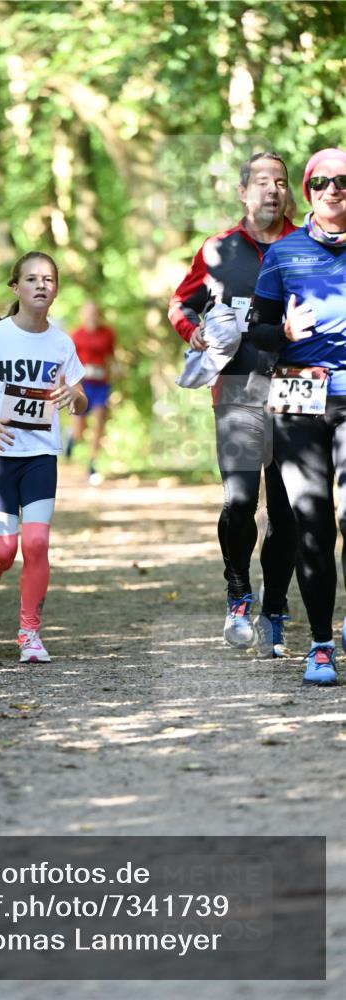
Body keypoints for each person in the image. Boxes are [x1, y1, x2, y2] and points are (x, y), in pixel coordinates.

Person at [168, 151, 297, 656]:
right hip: (239, 387)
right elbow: (182, 301)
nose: (272, 190)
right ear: (243, 192)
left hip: (295, 388)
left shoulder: (305, 245)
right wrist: (193, 330)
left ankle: (276, 609)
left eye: (281, 182)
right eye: (263, 182)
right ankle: (238, 593)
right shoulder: (218, 249)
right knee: (241, 501)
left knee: (286, 510)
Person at [0, 251, 87, 663]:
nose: (41, 286)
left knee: (36, 541)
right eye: (32, 279)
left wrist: (73, 397)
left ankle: (29, 633)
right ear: (16, 288)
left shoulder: (62, 343)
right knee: (4, 549)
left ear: (57, 288)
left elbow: (80, 401)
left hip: (40, 455)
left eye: (49, 279)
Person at [248, 147, 346, 685]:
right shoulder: (283, 253)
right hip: (298, 394)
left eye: (343, 182)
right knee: (312, 520)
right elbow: (257, 330)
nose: (333, 190)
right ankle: (322, 646)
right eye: (321, 182)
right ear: (308, 191)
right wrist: (284, 333)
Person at [65, 300, 116, 485]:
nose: (91, 315)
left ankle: (92, 464)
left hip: (101, 385)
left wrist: (115, 372)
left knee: (99, 421)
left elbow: (111, 357)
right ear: (83, 314)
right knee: (80, 430)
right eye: (88, 312)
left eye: (94, 311)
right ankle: (71, 435)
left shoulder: (108, 333)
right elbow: (69, 362)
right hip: (81, 385)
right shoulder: (76, 335)